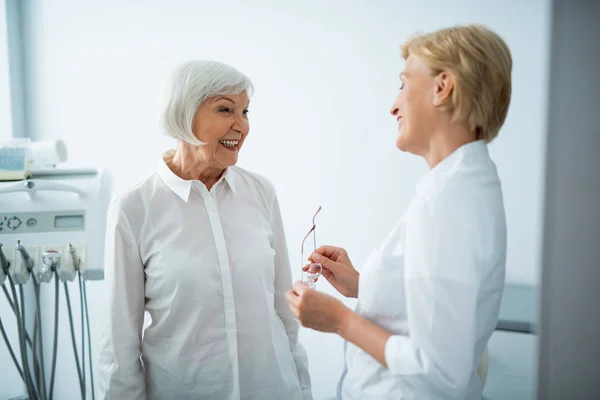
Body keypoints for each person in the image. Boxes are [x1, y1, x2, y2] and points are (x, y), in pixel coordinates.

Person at [285, 24, 512, 399]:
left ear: (442, 88)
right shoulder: (463, 185)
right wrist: (363, 285)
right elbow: (440, 304)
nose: (394, 104)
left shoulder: (449, 202)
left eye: (404, 84)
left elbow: (438, 369)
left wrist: (339, 320)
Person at [98, 60, 312, 400]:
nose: (241, 125)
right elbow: (119, 344)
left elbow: (284, 312)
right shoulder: (134, 208)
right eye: (225, 109)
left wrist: (302, 390)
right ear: (184, 113)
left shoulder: (261, 193)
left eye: (245, 112)